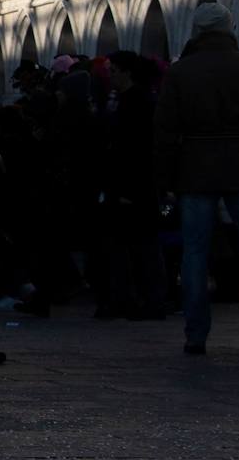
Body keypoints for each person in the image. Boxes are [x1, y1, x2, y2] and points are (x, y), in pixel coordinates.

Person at [155, 2, 239, 355]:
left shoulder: (181, 73)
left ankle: (196, 334)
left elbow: (165, 131)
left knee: (194, 253)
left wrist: (163, 178)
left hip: (195, 169)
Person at [98, 50, 165, 321]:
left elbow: (137, 150)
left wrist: (128, 190)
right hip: (125, 185)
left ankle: (149, 300)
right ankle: (126, 299)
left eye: (113, 70)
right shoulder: (124, 100)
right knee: (125, 245)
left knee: (141, 247)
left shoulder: (137, 102)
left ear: (126, 72)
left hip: (135, 187)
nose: (109, 76)